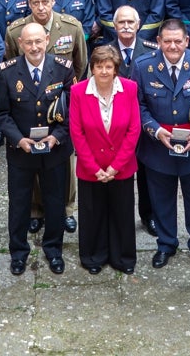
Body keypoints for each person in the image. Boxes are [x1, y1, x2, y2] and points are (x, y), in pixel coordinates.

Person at [0, 22, 75, 275]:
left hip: (54, 150)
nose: (34, 47)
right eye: (28, 42)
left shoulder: (63, 69)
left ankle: (54, 250)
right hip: (21, 152)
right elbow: (2, 114)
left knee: (55, 203)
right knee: (19, 205)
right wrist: (19, 139)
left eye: (38, 41)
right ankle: (18, 253)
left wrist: (57, 137)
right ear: (20, 44)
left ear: (47, 40)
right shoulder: (6, 72)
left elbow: (73, 110)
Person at [134, 19, 190, 271]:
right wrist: (155, 131)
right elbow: (137, 105)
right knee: (161, 200)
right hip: (158, 148)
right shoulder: (143, 66)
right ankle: (166, 244)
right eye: (166, 41)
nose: (172, 46)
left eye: (177, 41)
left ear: (187, 40)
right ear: (158, 41)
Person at [69, 45, 141, 275]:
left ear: (116, 69)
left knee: (122, 213)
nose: (103, 71)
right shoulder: (79, 92)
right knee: (93, 214)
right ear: (91, 68)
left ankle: (123, 258)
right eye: (98, 66)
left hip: (121, 166)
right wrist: (93, 167)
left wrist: (115, 167)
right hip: (91, 168)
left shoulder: (129, 89)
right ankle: (93, 257)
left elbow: (134, 130)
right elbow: (76, 132)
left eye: (108, 66)